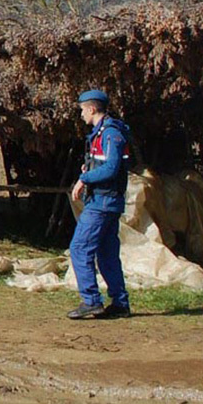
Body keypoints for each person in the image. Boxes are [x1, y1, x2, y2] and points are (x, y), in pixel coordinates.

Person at [67, 89, 132, 320]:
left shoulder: (110, 133)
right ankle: (120, 303)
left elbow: (112, 168)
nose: (82, 115)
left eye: (82, 110)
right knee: (106, 252)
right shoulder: (101, 133)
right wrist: (90, 169)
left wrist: (84, 179)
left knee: (80, 248)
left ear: (92, 109)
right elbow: (103, 165)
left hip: (103, 202)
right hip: (104, 201)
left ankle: (91, 301)